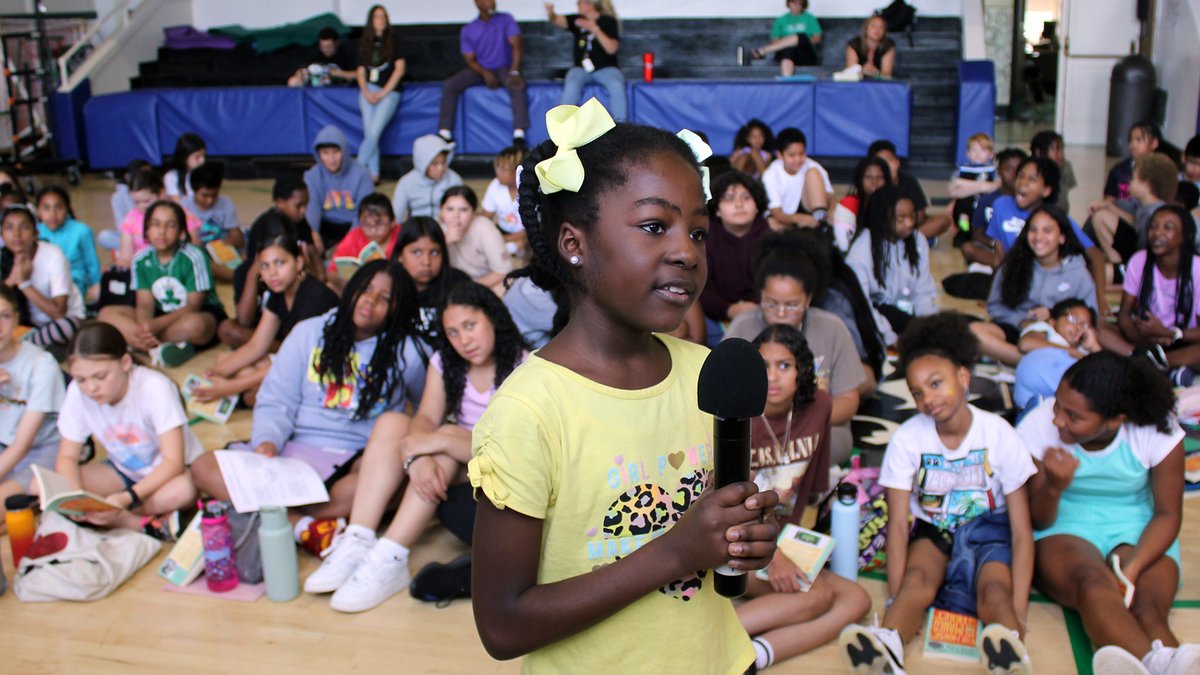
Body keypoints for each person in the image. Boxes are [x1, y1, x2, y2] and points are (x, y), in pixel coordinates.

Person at [467, 100, 779, 671]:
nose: (686, 251)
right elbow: (502, 625)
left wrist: (745, 534)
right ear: (574, 243)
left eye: (698, 232)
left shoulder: (702, 371)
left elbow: (709, 527)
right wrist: (676, 551)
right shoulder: (529, 412)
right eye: (655, 226)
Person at [304, 282, 527, 612]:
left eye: (470, 326)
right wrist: (418, 459)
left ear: (492, 318)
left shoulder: (523, 365)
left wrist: (438, 441)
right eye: (452, 332)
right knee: (393, 422)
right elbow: (424, 416)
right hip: (452, 457)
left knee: (446, 436)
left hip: (498, 463)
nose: (463, 340)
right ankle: (359, 537)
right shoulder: (445, 361)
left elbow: (511, 450)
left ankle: (390, 554)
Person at [838, 312, 1036, 675]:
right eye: (917, 391)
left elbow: (1023, 532)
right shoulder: (908, 439)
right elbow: (898, 526)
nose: (928, 398)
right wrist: (897, 601)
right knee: (917, 581)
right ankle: (888, 644)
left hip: (990, 530)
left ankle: (1010, 650)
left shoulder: (1000, 434)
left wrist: (1019, 613)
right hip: (934, 530)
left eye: (936, 383)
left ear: (963, 377)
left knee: (994, 591)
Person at [189, 261, 428, 552]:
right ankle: (303, 527)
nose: (370, 301)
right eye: (365, 289)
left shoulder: (407, 351)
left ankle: (266, 510)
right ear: (351, 289)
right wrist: (267, 441)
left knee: (390, 485)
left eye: (385, 298)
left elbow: (426, 408)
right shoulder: (309, 332)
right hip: (291, 449)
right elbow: (277, 398)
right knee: (203, 467)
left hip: (352, 458)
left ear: (397, 310)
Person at [1016, 353, 1200, 674]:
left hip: (1139, 526)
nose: (1058, 419)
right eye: (1058, 404)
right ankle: (1160, 663)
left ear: (1116, 419)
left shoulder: (1157, 430)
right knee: (1092, 585)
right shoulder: (1037, 426)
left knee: (1148, 608)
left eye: (1073, 416)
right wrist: (1054, 487)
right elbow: (1036, 519)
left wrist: (1134, 565)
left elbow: (1168, 514)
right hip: (1063, 524)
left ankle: (1156, 664)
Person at [738, 324, 871, 670]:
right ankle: (718, 640)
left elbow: (811, 488)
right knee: (818, 596)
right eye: (763, 366)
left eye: (784, 365)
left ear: (802, 370)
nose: (773, 377)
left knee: (857, 599)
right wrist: (774, 555)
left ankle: (757, 656)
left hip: (782, 536)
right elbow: (726, 504)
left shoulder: (819, 407)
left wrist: (801, 547)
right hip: (738, 543)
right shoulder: (736, 418)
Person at [725, 231, 871, 465]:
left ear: (808, 299)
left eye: (792, 306)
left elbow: (847, 401)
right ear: (760, 295)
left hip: (813, 429)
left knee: (836, 445)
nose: (781, 314)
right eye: (771, 304)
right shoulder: (743, 327)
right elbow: (724, 396)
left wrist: (801, 422)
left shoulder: (832, 328)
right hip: (758, 428)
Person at [47, 321, 202, 540]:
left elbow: (173, 462)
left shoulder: (154, 387)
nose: (91, 388)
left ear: (125, 362)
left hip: (168, 476)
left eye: (100, 377)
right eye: (81, 379)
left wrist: (126, 499)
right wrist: (76, 500)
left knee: (184, 490)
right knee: (45, 485)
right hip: (123, 473)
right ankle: (140, 522)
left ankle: (119, 518)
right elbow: (67, 455)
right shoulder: (77, 393)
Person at [193, 227, 337, 407]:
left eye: (280, 263)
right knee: (225, 362)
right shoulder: (279, 291)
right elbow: (256, 345)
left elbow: (293, 361)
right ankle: (246, 393)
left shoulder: (316, 298)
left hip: (325, 373)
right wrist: (215, 373)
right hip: (297, 362)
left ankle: (248, 396)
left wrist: (230, 387)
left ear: (299, 263)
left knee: (252, 388)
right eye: (265, 266)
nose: (272, 272)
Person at [99, 201, 225, 360]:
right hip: (160, 315)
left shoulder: (194, 256)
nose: (161, 231)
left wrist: (154, 326)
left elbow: (193, 306)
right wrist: (145, 328)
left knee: (196, 326)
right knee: (106, 314)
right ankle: (158, 344)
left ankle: (141, 344)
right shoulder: (140, 259)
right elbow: (144, 305)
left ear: (181, 232)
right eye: (155, 224)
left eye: (170, 225)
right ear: (146, 230)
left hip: (194, 313)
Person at [973, 204, 1097, 365]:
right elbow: (995, 307)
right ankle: (1028, 362)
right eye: (1033, 230)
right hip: (1017, 329)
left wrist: (1053, 317)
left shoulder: (1078, 273)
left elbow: (1091, 317)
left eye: (1047, 230)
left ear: (1062, 237)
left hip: (1059, 338)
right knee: (974, 332)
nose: (1038, 237)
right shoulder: (1013, 264)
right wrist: (1021, 321)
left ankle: (1035, 360)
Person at [983, 156, 1108, 311]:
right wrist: (993, 295)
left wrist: (1100, 299)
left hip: (1050, 283)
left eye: (1032, 179)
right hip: (1016, 278)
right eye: (1020, 176)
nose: (1023, 182)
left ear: (1046, 190)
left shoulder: (1052, 217)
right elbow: (999, 256)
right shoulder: (1001, 205)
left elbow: (1095, 255)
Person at [0, 284, 64, 524]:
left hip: (42, 450)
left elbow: (21, 445)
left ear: (17, 318)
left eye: (4, 316)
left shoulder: (41, 364)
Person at [1116, 205, 1200, 383]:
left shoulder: (1197, 269)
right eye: (1153, 226)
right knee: (1100, 328)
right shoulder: (1139, 260)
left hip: (1184, 339)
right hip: (1145, 340)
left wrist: (1170, 333)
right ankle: (1166, 368)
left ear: (1184, 236)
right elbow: (1124, 314)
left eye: (1167, 227)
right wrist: (1141, 336)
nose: (1157, 233)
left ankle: (1151, 364)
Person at [846, 184, 937, 345]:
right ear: (883, 217)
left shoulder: (918, 240)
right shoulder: (861, 251)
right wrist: (890, 338)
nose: (909, 223)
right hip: (876, 317)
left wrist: (929, 325)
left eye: (912, 215)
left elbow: (924, 293)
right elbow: (862, 306)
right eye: (901, 218)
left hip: (905, 314)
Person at [437, 0, 529, 146]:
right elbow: (470, 59)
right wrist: (485, 73)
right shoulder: (469, 28)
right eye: (487, 0)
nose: (491, 3)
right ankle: (444, 134)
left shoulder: (506, 19)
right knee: (450, 85)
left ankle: (519, 133)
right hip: (480, 69)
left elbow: (517, 46)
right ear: (478, 3)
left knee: (516, 85)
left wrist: (515, 71)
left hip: (504, 67)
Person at [700, 171, 772, 342]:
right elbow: (702, 288)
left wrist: (755, 308)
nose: (739, 205)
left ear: (756, 206)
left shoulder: (770, 238)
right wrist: (729, 309)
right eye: (730, 199)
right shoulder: (706, 240)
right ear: (717, 209)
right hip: (716, 315)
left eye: (746, 198)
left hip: (764, 311)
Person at [2, 205, 86, 351]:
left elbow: (59, 312)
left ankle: (21, 347)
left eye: (24, 227)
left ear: (36, 233)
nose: (16, 234)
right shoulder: (3, 257)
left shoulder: (53, 255)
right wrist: (11, 280)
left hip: (62, 321)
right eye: (9, 228)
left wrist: (24, 283)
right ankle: (25, 345)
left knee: (64, 327)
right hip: (26, 325)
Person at [390, 216, 471, 347]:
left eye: (434, 252)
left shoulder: (459, 284)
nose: (426, 262)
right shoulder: (389, 288)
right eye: (416, 252)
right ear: (400, 255)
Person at [1089, 152, 1178, 266]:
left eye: (1134, 178)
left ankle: (1123, 269)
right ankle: (1118, 264)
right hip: (1138, 251)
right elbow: (1135, 222)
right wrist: (1109, 206)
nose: (1130, 182)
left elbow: (1146, 246)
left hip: (1146, 260)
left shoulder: (1156, 213)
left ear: (1146, 184)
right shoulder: (1144, 205)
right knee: (1100, 217)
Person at [1013, 299, 1100, 413]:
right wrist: (1071, 351)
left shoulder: (1081, 349)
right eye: (1073, 319)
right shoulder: (1047, 330)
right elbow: (1026, 344)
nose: (1078, 328)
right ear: (1053, 321)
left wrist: (1094, 347)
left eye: (1085, 326)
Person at [546, 0, 624, 120]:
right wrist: (551, 13)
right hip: (581, 68)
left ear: (590, 4)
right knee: (572, 81)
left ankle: (621, 124)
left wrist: (594, 29)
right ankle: (564, 122)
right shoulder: (577, 20)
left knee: (616, 85)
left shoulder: (608, 21)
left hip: (605, 68)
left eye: (579, 3)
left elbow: (611, 49)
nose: (577, 5)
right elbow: (558, 20)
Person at [303, 124, 375, 250]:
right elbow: (312, 208)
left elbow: (365, 210)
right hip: (325, 226)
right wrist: (313, 232)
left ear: (344, 151)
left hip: (354, 225)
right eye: (325, 153)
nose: (331, 159)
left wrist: (349, 240)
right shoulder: (312, 176)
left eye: (336, 152)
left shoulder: (361, 174)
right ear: (318, 154)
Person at [356, 5, 406, 182]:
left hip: (389, 92)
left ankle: (357, 171)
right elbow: (360, 71)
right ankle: (374, 174)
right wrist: (366, 91)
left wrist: (384, 92)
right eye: (377, 17)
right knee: (370, 131)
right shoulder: (365, 42)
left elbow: (399, 70)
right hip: (369, 90)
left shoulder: (395, 40)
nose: (381, 20)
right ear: (371, 20)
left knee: (374, 131)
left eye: (383, 16)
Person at [116, 168, 203, 269]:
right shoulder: (130, 219)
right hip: (144, 271)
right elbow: (126, 257)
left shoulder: (182, 215)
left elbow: (194, 250)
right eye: (136, 202)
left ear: (161, 193)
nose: (141, 206)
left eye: (146, 201)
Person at [868, 139, 951, 241]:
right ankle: (916, 240)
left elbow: (920, 215)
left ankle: (911, 240)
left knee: (943, 220)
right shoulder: (874, 183)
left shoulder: (908, 181)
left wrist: (905, 222)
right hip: (883, 227)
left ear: (897, 162)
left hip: (907, 225)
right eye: (881, 162)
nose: (886, 166)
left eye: (889, 160)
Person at [439, 186, 512, 294]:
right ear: (441, 210)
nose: (456, 216)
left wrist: (468, 288)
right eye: (449, 209)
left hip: (484, 282)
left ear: (473, 212)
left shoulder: (484, 227)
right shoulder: (437, 228)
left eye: (463, 210)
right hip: (451, 284)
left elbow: (503, 271)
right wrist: (444, 242)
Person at [35, 186, 101, 304]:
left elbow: (92, 263)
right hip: (43, 286)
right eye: (46, 208)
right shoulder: (35, 233)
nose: (53, 214)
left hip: (74, 285)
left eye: (59, 208)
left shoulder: (81, 231)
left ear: (67, 208)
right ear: (38, 210)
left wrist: (96, 285)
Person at [327, 193, 400, 295]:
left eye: (379, 224)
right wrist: (342, 280)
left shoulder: (401, 235)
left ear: (393, 222)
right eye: (366, 225)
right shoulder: (355, 236)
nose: (373, 230)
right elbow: (331, 272)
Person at [181, 162, 242, 283]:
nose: (210, 200)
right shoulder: (183, 206)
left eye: (214, 195)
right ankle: (236, 277)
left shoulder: (226, 203)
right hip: (199, 252)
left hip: (222, 252)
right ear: (194, 190)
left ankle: (229, 274)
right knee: (201, 261)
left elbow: (238, 237)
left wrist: (228, 241)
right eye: (204, 196)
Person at [762, 127, 833, 229]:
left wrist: (831, 215)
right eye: (792, 155)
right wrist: (800, 219)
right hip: (786, 219)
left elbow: (831, 196)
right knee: (771, 223)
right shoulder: (770, 175)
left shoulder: (812, 166)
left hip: (811, 212)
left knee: (813, 173)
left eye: (801, 154)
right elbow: (776, 212)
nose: (798, 159)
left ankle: (822, 227)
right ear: (780, 155)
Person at [393, 134, 464, 224]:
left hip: (447, 226)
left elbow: (463, 210)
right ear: (422, 163)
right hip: (417, 229)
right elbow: (397, 217)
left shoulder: (454, 180)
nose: (441, 168)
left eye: (443, 162)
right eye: (435, 164)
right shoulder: (406, 183)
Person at [831, 155, 891, 252]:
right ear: (860, 179)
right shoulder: (849, 203)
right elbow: (843, 245)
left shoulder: (894, 205)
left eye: (879, 177)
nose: (874, 182)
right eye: (868, 177)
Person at [479, 145, 530, 258]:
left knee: (533, 240)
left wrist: (503, 240)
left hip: (526, 232)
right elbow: (486, 215)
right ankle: (511, 249)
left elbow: (532, 227)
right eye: (497, 167)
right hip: (502, 230)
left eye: (504, 169)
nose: (498, 173)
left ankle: (511, 249)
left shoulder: (530, 190)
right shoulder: (495, 185)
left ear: (518, 171)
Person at [948, 133, 999, 239]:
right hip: (966, 204)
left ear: (991, 154)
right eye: (974, 150)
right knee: (963, 201)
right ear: (968, 153)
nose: (978, 154)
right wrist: (982, 185)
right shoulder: (963, 169)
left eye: (983, 150)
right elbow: (953, 186)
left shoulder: (992, 170)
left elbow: (994, 186)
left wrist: (963, 184)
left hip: (983, 201)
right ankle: (964, 228)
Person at [751, 0, 823, 74]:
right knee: (788, 51)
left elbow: (817, 38)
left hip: (805, 54)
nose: (796, 6)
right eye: (794, 3)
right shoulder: (781, 20)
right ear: (789, 3)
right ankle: (786, 83)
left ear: (803, 5)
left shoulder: (810, 18)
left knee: (801, 36)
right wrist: (790, 42)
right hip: (786, 53)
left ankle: (764, 50)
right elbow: (775, 41)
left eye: (799, 3)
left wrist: (799, 41)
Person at [106, 158, 152, 252]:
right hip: (132, 234)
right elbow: (120, 224)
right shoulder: (118, 197)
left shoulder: (155, 192)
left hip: (155, 234)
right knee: (105, 236)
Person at [287, 26, 356, 88]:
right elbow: (300, 70)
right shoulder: (315, 53)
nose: (326, 50)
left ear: (337, 43)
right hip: (317, 84)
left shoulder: (346, 53)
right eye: (323, 46)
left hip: (340, 85)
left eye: (329, 46)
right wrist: (300, 79)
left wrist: (335, 73)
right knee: (293, 81)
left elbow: (357, 74)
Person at [1030, 130, 1076, 216]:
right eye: (1056, 150)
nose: (1062, 155)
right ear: (1039, 152)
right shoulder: (1030, 170)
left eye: (1062, 149)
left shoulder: (1066, 167)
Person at [163, 132, 206, 200]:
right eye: (197, 157)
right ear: (184, 156)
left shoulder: (205, 175)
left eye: (203, 156)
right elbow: (178, 203)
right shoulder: (171, 177)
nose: (202, 160)